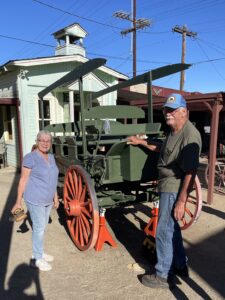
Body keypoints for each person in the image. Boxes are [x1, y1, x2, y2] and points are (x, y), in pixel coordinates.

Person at [127, 93, 202, 289]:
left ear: (184, 112)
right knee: (172, 228)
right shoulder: (173, 131)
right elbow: (163, 148)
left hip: (174, 187)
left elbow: (191, 171)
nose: (167, 114)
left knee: (163, 230)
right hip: (167, 185)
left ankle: (162, 275)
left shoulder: (190, 135)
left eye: (172, 110)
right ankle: (179, 266)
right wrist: (141, 142)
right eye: (166, 110)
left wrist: (181, 201)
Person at [11, 130, 59, 272]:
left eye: (48, 141)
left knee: (42, 227)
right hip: (35, 199)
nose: (45, 143)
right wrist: (18, 201)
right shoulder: (30, 157)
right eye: (42, 140)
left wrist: (55, 197)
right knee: (39, 228)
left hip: (47, 200)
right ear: (37, 142)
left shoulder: (51, 157)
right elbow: (23, 180)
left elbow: (53, 179)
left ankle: (38, 252)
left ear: (50, 143)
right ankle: (37, 259)